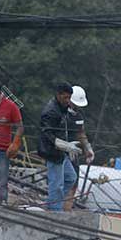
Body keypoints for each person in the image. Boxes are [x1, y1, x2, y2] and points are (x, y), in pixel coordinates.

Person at [38, 82, 93, 211]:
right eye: (66, 98)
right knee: (56, 184)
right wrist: (65, 145)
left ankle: (53, 202)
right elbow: (47, 135)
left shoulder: (65, 109)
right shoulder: (51, 111)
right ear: (58, 95)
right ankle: (54, 211)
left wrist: (87, 148)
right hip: (52, 152)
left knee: (71, 178)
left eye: (69, 98)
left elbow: (81, 132)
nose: (68, 101)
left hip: (65, 152)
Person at [62, 85, 94, 211]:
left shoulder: (79, 116)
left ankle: (66, 209)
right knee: (62, 181)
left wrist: (88, 148)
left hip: (74, 153)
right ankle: (56, 209)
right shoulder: (60, 114)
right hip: (60, 152)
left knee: (74, 182)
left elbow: (81, 133)